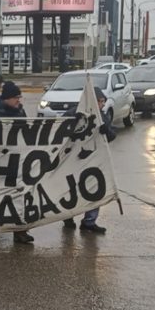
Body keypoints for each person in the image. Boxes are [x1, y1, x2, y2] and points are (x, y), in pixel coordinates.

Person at [0, 81, 34, 244]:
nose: (19, 100)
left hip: (16, 159)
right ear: (7, 98)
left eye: (20, 97)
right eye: (16, 97)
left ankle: (20, 231)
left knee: (18, 195)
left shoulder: (20, 111)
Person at [62, 87, 115, 233]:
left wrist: (107, 131)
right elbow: (60, 132)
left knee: (94, 189)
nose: (102, 104)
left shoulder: (101, 116)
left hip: (93, 160)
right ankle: (67, 217)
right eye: (100, 101)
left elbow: (111, 136)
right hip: (72, 160)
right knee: (71, 189)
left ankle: (89, 221)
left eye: (103, 101)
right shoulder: (73, 114)